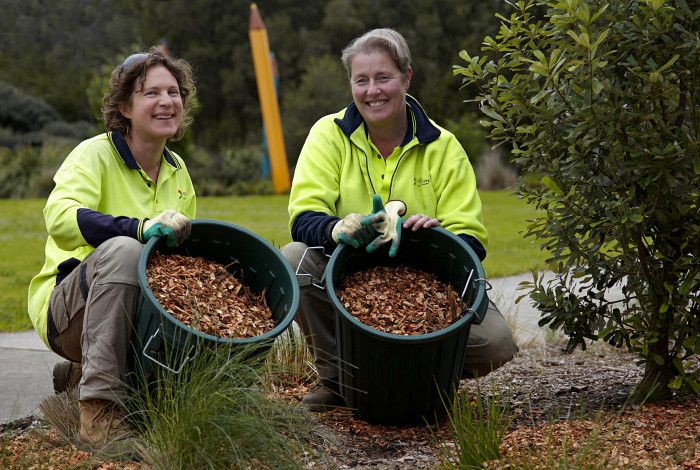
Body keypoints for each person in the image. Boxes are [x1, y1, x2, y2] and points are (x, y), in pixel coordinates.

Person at [281, 28, 519, 411]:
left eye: (383, 77)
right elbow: (304, 218)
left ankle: (416, 375)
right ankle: (339, 379)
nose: (372, 90)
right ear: (351, 85)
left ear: (406, 77)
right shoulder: (329, 134)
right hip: (348, 275)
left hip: (427, 286)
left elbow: (472, 241)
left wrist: (440, 237)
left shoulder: (443, 147)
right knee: (294, 259)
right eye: (362, 80)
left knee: (495, 343)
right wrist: (337, 228)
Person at [27, 46, 197, 452]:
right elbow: (61, 218)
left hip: (131, 311)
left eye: (173, 92)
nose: (166, 102)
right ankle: (98, 416)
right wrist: (138, 228)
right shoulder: (94, 154)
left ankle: (80, 374)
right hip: (68, 308)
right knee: (125, 250)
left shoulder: (178, 173)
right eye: (151, 93)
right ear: (124, 105)